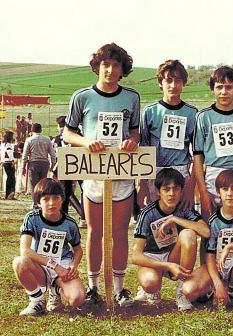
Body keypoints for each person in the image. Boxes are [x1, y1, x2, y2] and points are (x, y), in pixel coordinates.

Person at [63, 43, 140, 306]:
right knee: (95, 231)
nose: (110, 69)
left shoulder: (132, 97)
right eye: (105, 64)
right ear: (98, 67)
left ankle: (119, 288)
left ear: (122, 69)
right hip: (93, 174)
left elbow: (135, 131)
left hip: (121, 173)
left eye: (116, 65)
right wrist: (86, 142)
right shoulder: (81, 97)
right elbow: (67, 133)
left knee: (119, 232)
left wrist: (131, 140)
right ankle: (94, 286)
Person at [182, 170, 233, 311]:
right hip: (219, 267)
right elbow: (209, 256)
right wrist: (218, 284)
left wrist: (230, 246)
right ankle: (216, 289)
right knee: (188, 290)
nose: (230, 193)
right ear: (218, 192)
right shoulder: (214, 220)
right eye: (225, 189)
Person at [132, 168, 209, 311]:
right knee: (150, 283)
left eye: (176, 189)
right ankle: (151, 290)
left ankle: (182, 291)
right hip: (152, 259)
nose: (171, 194)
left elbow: (205, 231)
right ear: (158, 192)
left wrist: (175, 219)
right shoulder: (148, 213)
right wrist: (167, 266)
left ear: (181, 191)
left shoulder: (184, 209)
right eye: (166, 189)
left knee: (188, 234)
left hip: (173, 256)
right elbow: (135, 256)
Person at [193, 66, 233, 222]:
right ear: (213, 90)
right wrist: (203, 191)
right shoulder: (203, 117)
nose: (223, 92)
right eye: (219, 87)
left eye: (229, 87)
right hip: (213, 177)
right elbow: (197, 157)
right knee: (210, 229)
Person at [12, 178, 85, 316]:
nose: (51, 203)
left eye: (56, 198)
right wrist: (54, 266)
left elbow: (78, 250)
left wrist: (73, 266)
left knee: (78, 298)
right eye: (46, 199)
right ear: (38, 202)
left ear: (62, 199)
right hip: (40, 264)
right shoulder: (32, 218)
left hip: (62, 266)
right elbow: (25, 251)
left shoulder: (69, 223)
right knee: (20, 262)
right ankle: (37, 301)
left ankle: (56, 290)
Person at [138, 60, 197, 210]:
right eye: (168, 80)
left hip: (181, 173)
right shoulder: (150, 112)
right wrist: (142, 184)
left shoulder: (192, 113)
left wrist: (191, 187)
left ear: (183, 83)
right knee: (157, 224)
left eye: (178, 80)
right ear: (160, 83)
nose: (173, 85)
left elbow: (198, 154)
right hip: (155, 173)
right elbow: (143, 149)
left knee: (182, 221)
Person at [52, 115, 86, 227]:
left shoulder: (57, 138)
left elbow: (56, 154)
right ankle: (84, 217)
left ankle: (64, 216)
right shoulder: (79, 135)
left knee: (65, 193)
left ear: (59, 126)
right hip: (80, 163)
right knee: (85, 191)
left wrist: (54, 169)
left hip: (64, 164)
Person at [22, 123, 56, 206]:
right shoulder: (47, 139)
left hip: (33, 163)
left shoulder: (29, 140)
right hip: (44, 163)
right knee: (42, 184)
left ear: (32, 130)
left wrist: (23, 167)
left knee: (33, 184)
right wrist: (53, 164)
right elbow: (52, 153)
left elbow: (25, 154)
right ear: (41, 130)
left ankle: (35, 203)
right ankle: (42, 202)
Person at [0, 131, 17, 200]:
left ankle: (8, 194)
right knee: (12, 179)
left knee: (9, 178)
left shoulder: (3, 144)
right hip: (9, 162)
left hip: (5, 162)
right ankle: (10, 193)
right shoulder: (9, 145)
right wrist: (13, 160)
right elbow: (9, 152)